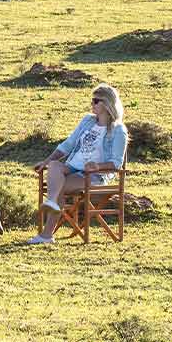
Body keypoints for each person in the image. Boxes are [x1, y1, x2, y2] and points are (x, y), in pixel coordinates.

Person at [26, 84, 129, 245]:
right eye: (92, 100)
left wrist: (97, 166)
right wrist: (45, 162)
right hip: (73, 167)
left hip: (92, 175)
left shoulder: (118, 130)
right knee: (54, 165)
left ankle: (47, 233)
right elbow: (68, 144)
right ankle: (51, 206)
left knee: (57, 186)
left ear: (107, 103)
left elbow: (116, 163)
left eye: (96, 101)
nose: (92, 104)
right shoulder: (88, 121)